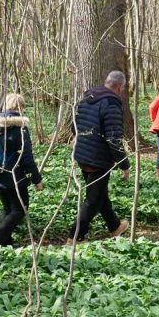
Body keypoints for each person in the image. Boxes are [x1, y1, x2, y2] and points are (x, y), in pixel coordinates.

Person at [67, 71, 130, 243]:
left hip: (82, 154)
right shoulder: (111, 103)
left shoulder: (87, 97)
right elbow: (113, 138)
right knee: (93, 200)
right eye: (122, 88)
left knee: (100, 193)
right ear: (119, 87)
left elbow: (74, 126)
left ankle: (115, 226)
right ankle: (74, 236)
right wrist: (124, 164)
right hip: (98, 159)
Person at [0, 93, 43, 246]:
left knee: (8, 208)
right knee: (19, 209)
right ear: (21, 107)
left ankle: (5, 240)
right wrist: (37, 180)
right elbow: (27, 158)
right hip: (14, 177)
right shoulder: (19, 130)